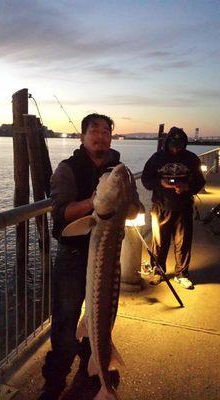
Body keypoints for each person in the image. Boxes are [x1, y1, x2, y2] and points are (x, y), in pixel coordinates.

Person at [39, 113, 142, 400]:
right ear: (83, 136)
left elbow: (135, 209)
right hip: (73, 258)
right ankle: (55, 381)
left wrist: (122, 203)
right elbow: (61, 214)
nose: (101, 135)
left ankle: (93, 369)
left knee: (103, 317)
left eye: (106, 131)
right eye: (94, 130)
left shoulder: (118, 168)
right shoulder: (67, 168)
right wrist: (94, 204)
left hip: (108, 259)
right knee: (64, 323)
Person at [141, 126, 205, 289]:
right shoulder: (156, 158)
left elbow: (199, 182)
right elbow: (146, 180)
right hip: (161, 206)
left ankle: (182, 274)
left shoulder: (191, 159)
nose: (176, 148)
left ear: (184, 143)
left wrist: (187, 186)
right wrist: (160, 183)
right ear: (167, 142)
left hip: (183, 207)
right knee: (159, 242)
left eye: (180, 144)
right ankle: (158, 271)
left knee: (183, 242)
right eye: (173, 144)